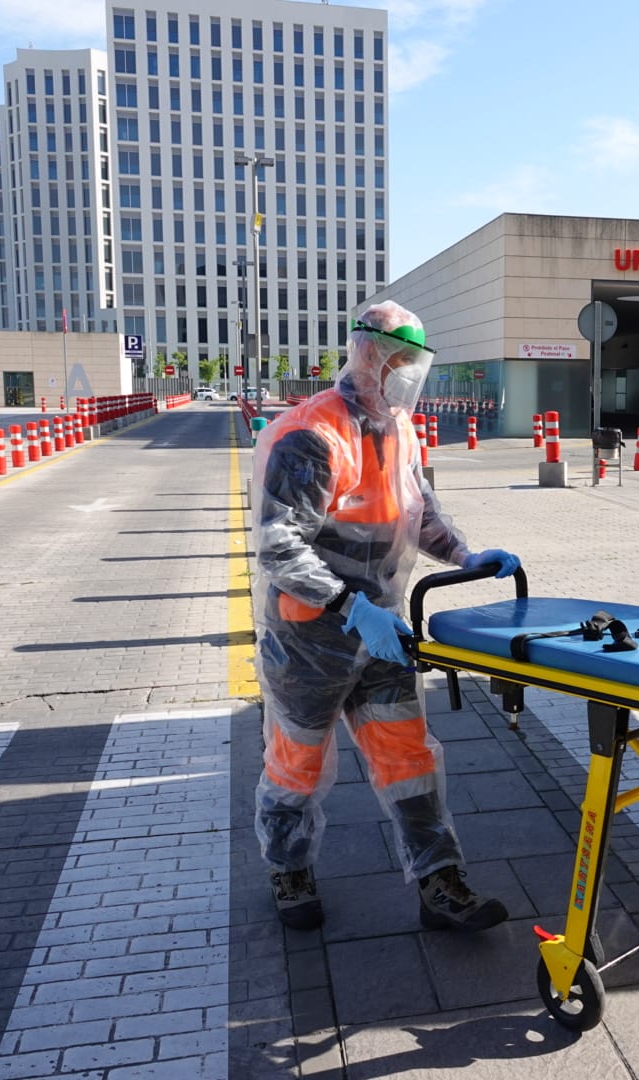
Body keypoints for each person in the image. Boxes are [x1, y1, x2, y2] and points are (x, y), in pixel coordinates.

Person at [251, 300, 522, 933]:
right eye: (399, 360)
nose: (405, 374)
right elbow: (280, 546)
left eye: (414, 364)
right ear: (368, 352)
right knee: (296, 760)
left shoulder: (400, 427)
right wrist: (350, 606)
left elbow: (417, 512)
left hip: (383, 634)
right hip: (310, 635)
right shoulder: (309, 436)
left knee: (410, 757)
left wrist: (464, 553)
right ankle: (288, 869)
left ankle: (439, 880)